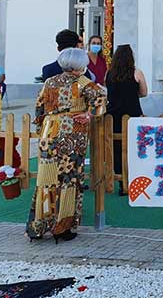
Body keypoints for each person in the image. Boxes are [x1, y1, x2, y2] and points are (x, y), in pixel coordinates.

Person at [26, 48, 106, 242]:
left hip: (49, 131)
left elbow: (38, 107)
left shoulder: (49, 82)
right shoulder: (85, 83)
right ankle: (63, 227)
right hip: (72, 133)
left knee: (46, 179)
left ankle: (39, 225)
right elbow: (101, 103)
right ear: (80, 65)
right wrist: (88, 115)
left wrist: (43, 126)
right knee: (69, 179)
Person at [105, 44, 148, 195]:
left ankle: (120, 180)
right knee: (133, 148)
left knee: (116, 149)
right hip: (132, 114)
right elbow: (144, 93)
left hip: (113, 115)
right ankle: (133, 179)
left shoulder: (109, 74)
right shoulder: (137, 73)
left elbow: (108, 93)